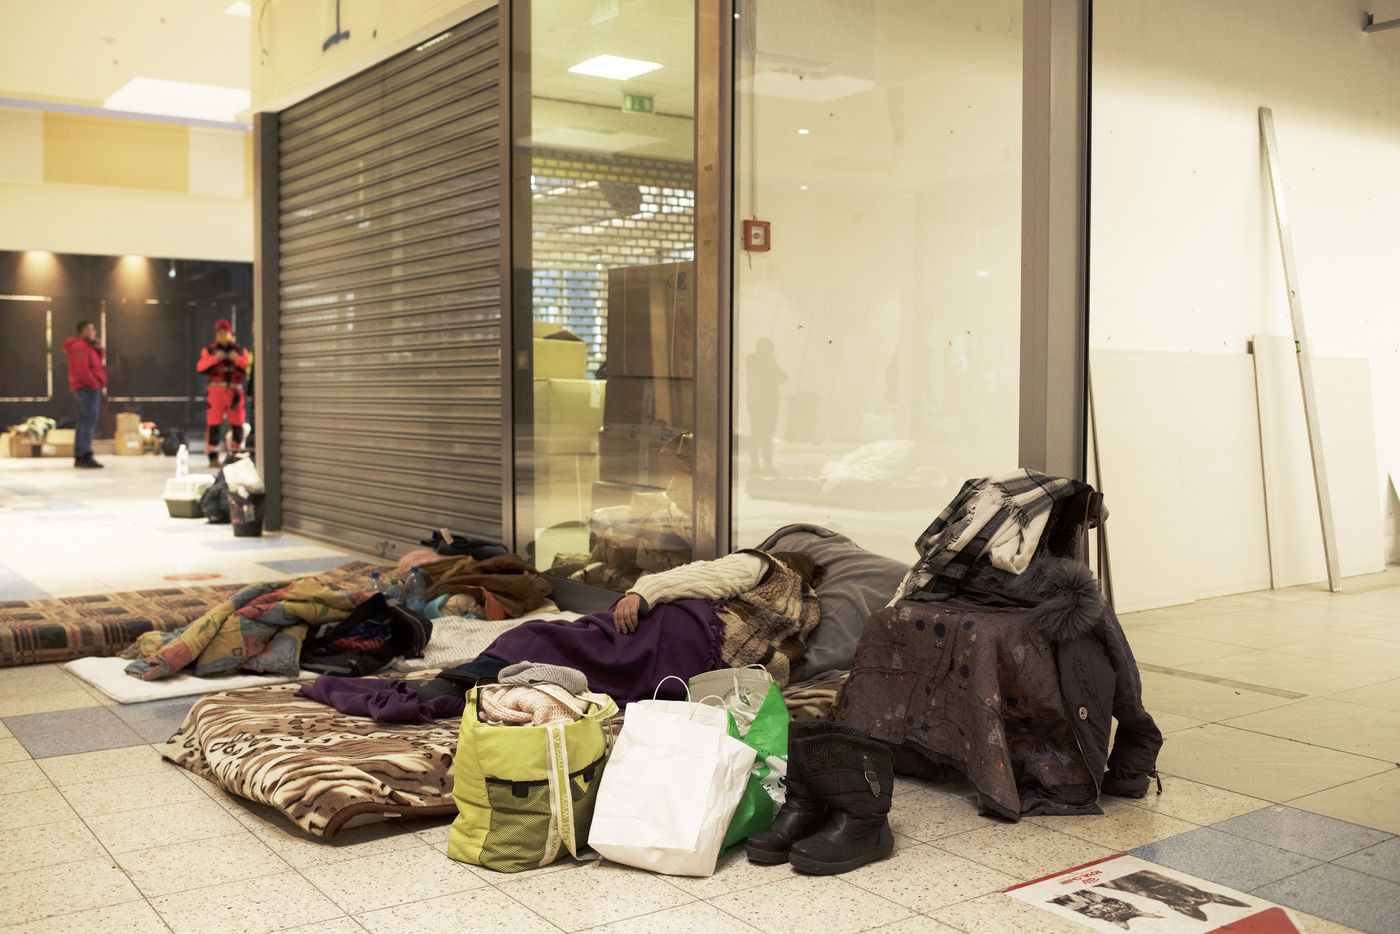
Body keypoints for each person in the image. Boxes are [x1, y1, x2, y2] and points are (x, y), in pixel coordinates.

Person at [416, 550, 824, 704]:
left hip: (682, 633)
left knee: (548, 635)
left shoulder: (764, 565)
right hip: (696, 671)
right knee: (598, 668)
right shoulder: (806, 612)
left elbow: (701, 576)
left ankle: (459, 682)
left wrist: (641, 594)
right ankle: (490, 687)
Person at [196, 318, 251, 467]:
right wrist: (215, 359)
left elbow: (248, 367)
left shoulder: (240, 350)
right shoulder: (210, 350)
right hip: (215, 394)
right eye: (220, 332)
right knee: (213, 424)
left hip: (235, 393)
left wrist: (236, 359)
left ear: (230, 332)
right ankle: (213, 457)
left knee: (238, 425)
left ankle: (236, 457)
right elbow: (201, 367)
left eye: (225, 332)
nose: (223, 334)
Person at [62, 320, 107, 469]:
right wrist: (94, 385)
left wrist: (98, 349)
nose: (94, 332)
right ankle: (85, 455)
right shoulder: (80, 346)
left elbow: (96, 364)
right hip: (87, 388)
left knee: (84, 422)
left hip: (87, 388)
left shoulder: (87, 346)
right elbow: (83, 369)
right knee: (88, 422)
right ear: (84, 331)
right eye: (91, 329)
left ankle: (81, 454)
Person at [745, 337, 787, 475]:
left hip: (759, 403)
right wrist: (772, 377)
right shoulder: (760, 361)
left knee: (759, 434)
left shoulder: (755, 361)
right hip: (764, 403)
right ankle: (763, 465)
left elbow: (783, 376)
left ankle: (759, 465)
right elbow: (780, 377)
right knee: (764, 435)